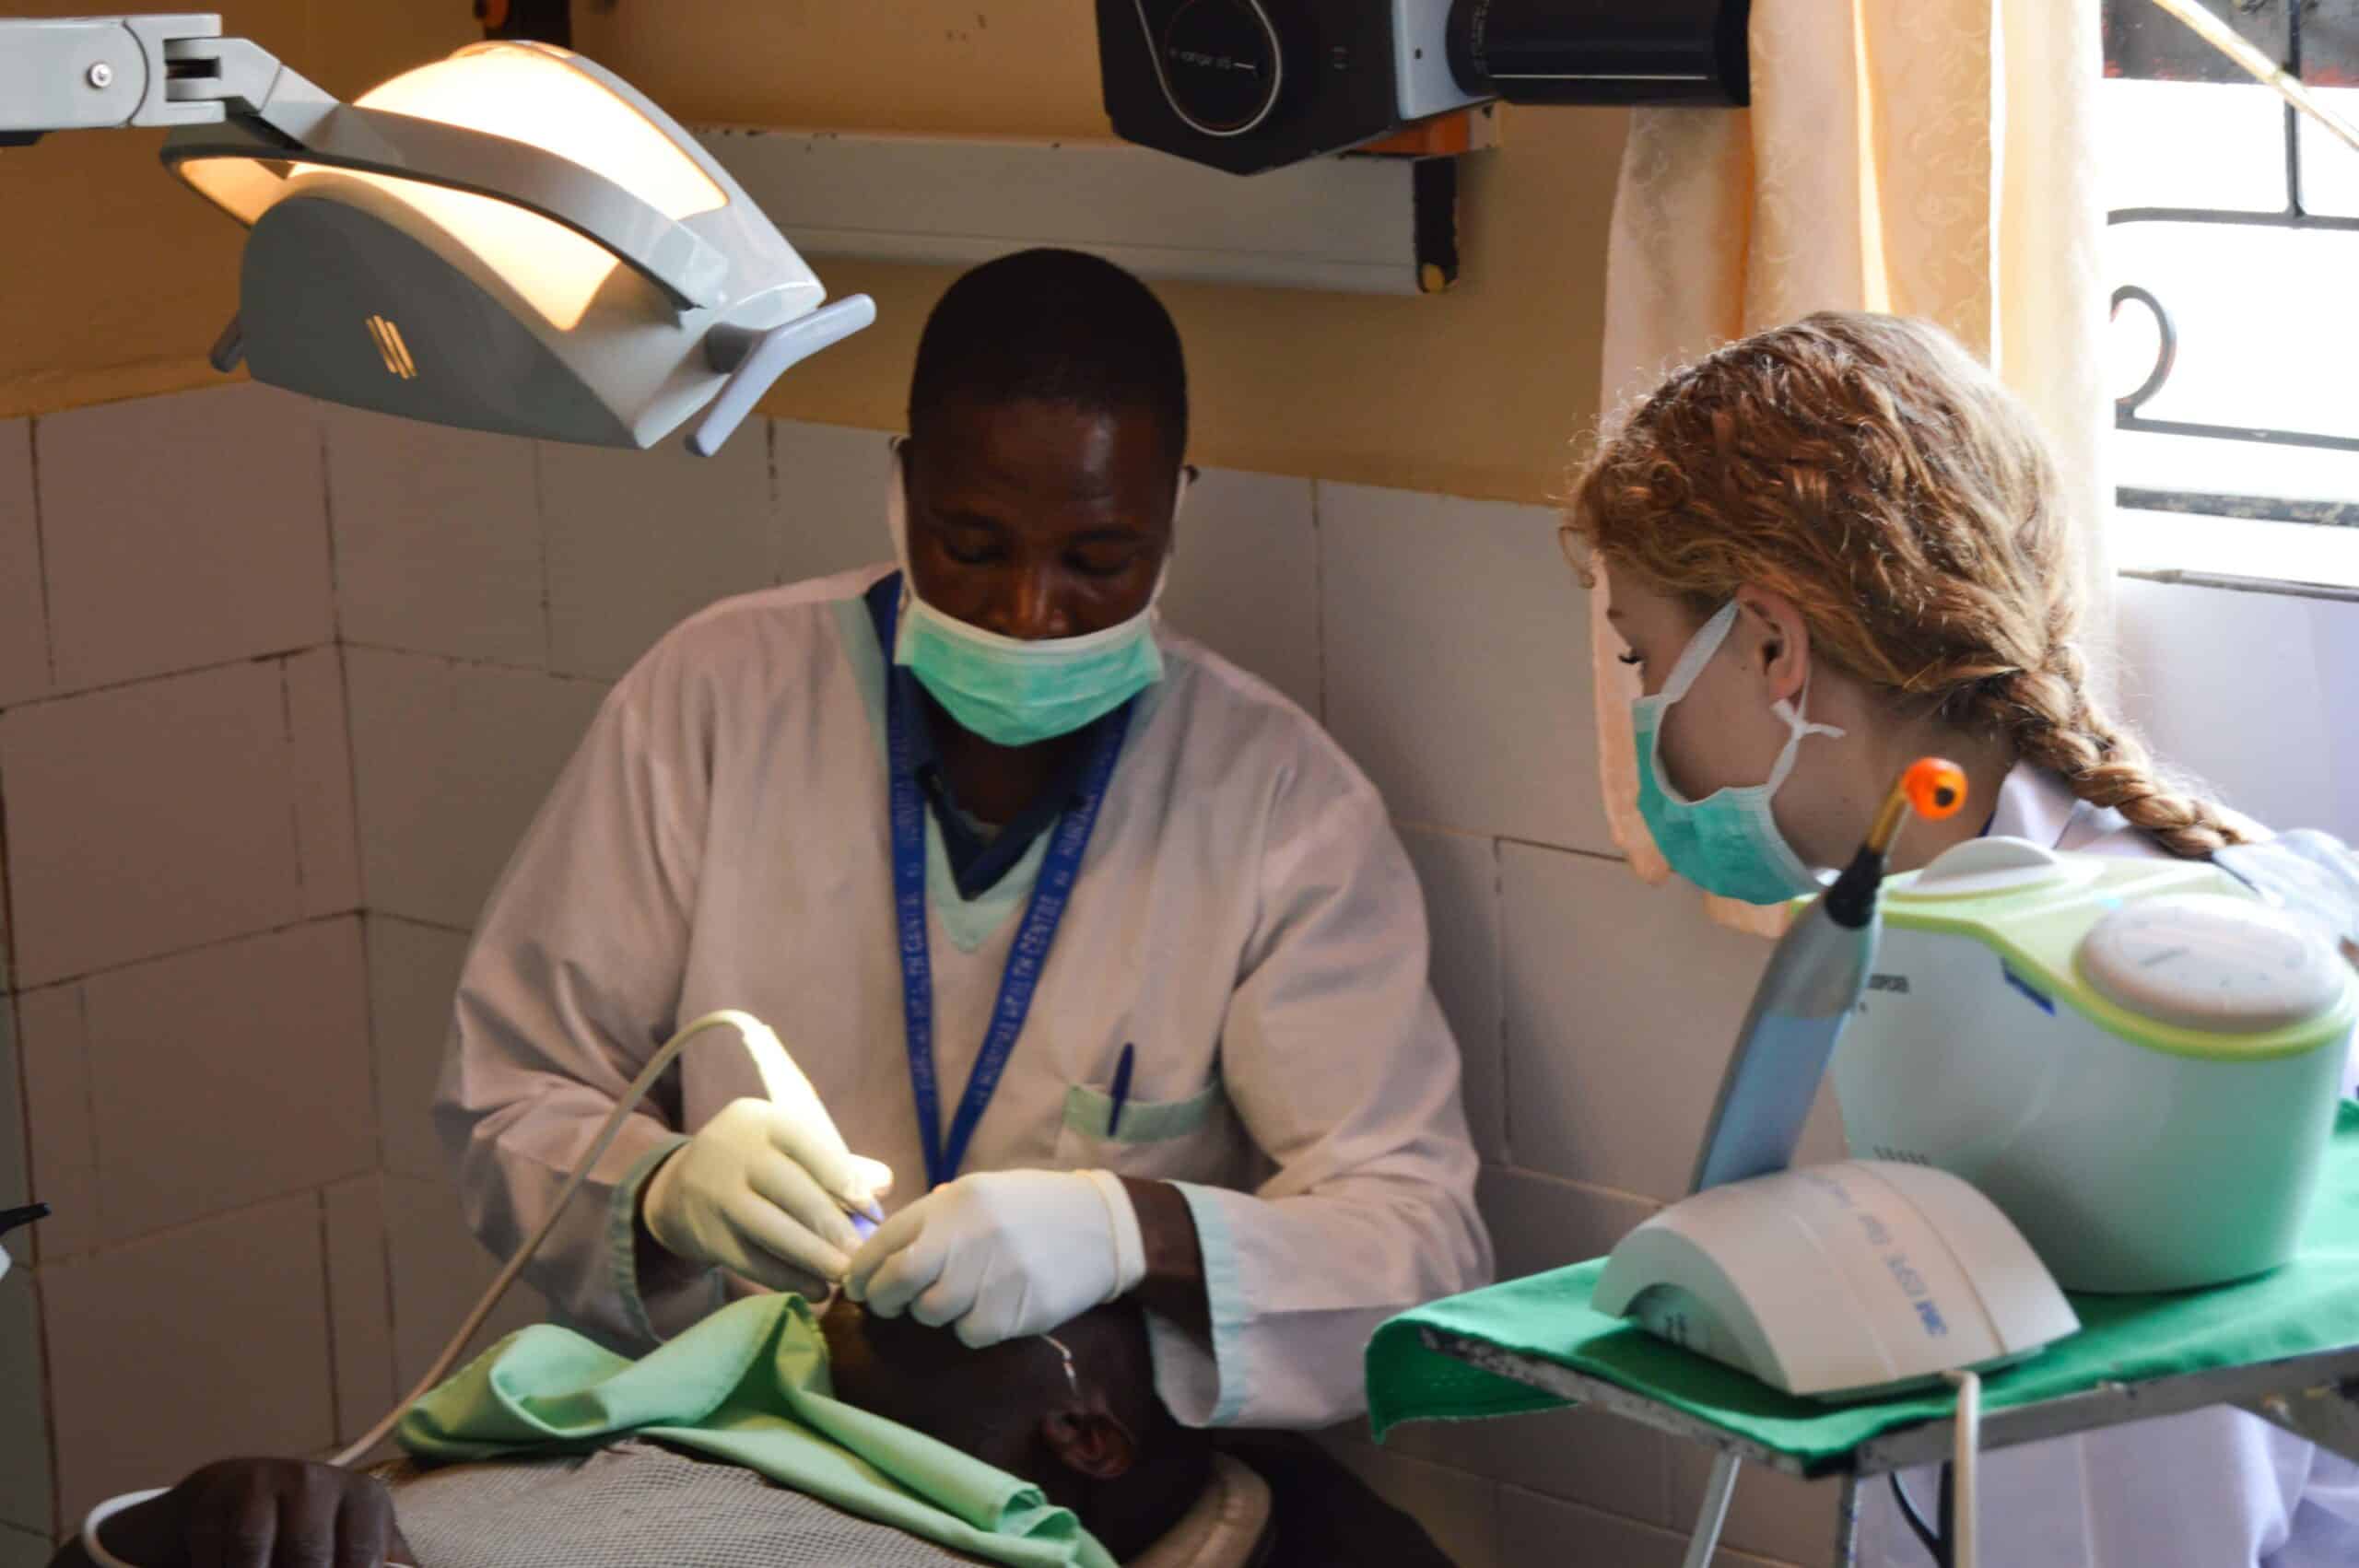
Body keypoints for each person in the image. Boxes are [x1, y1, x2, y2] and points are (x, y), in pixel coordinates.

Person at [434, 246, 1489, 1442]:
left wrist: (1118, 1227)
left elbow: (1421, 1254)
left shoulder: (1280, 806)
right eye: (974, 547)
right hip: (754, 1445)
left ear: (1175, 511)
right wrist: (661, 1191)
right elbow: (506, 1099)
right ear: (899, 491)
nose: (1030, 615)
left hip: (1079, 1470)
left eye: (1096, 561)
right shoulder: (713, 705)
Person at [1563, 310, 2359, 1566]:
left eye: (1642, 661)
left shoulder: (2077, 1036)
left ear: (1772, 645)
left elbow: (2124, 1534)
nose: (1644, 726)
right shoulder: (2195, 886)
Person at [48, 1299, 1265, 1568]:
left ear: (1084, 1436)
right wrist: (181, 1528)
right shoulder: (625, 1416)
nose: (915, 1245)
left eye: (986, 1281)